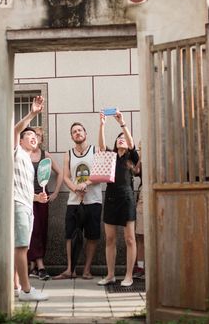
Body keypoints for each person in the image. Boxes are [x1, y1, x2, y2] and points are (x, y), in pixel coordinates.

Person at [53, 122, 102, 280]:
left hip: (93, 200)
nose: (77, 133)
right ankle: (70, 269)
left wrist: (85, 184)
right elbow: (66, 177)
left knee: (92, 236)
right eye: (74, 131)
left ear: (85, 133)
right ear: (72, 136)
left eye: (80, 130)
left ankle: (87, 270)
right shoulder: (68, 153)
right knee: (70, 234)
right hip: (74, 201)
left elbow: (100, 172)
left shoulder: (95, 150)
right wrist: (75, 188)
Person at [12, 96, 49, 301]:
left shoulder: (28, 159)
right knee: (21, 247)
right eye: (29, 135)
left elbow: (20, 185)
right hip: (18, 205)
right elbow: (16, 130)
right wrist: (33, 113)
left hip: (26, 203)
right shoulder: (16, 151)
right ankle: (26, 291)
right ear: (21, 140)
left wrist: (37, 197)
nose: (33, 137)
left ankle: (16, 286)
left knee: (18, 247)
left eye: (35, 136)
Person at [96, 110, 139, 287]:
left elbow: (131, 143)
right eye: (118, 137)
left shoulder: (131, 157)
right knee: (110, 238)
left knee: (129, 238)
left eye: (124, 138)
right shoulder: (110, 156)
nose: (121, 139)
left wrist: (122, 124)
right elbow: (101, 145)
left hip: (127, 198)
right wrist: (102, 124)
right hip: (111, 199)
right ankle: (111, 275)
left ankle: (128, 275)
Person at [27, 126, 61, 281]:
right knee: (30, 230)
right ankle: (39, 266)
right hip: (27, 197)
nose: (37, 137)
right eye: (34, 134)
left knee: (41, 229)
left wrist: (55, 193)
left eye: (39, 135)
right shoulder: (23, 155)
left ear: (41, 139)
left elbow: (60, 173)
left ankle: (34, 266)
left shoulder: (45, 155)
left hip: (42, 197)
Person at [132, 149, 145, 279]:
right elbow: (136, 171)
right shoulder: (142, 157)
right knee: (140, 236)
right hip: (143, 195)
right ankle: (141, 267)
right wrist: (141, 155)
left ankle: (155, 267)